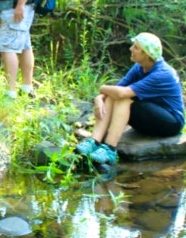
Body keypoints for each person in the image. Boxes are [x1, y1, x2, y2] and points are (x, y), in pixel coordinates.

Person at [76, 33, 185, 170]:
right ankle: (94, 141)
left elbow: (122, 93)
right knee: (113, 96)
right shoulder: (140, 67)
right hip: (150, 117)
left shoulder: (162, 73)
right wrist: (99, 98)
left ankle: (110, 149)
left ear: (146, 54)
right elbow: (117, 88)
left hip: (171, 123)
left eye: (136, 47)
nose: (131, 49)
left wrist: (101, 88)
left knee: (123, 99)